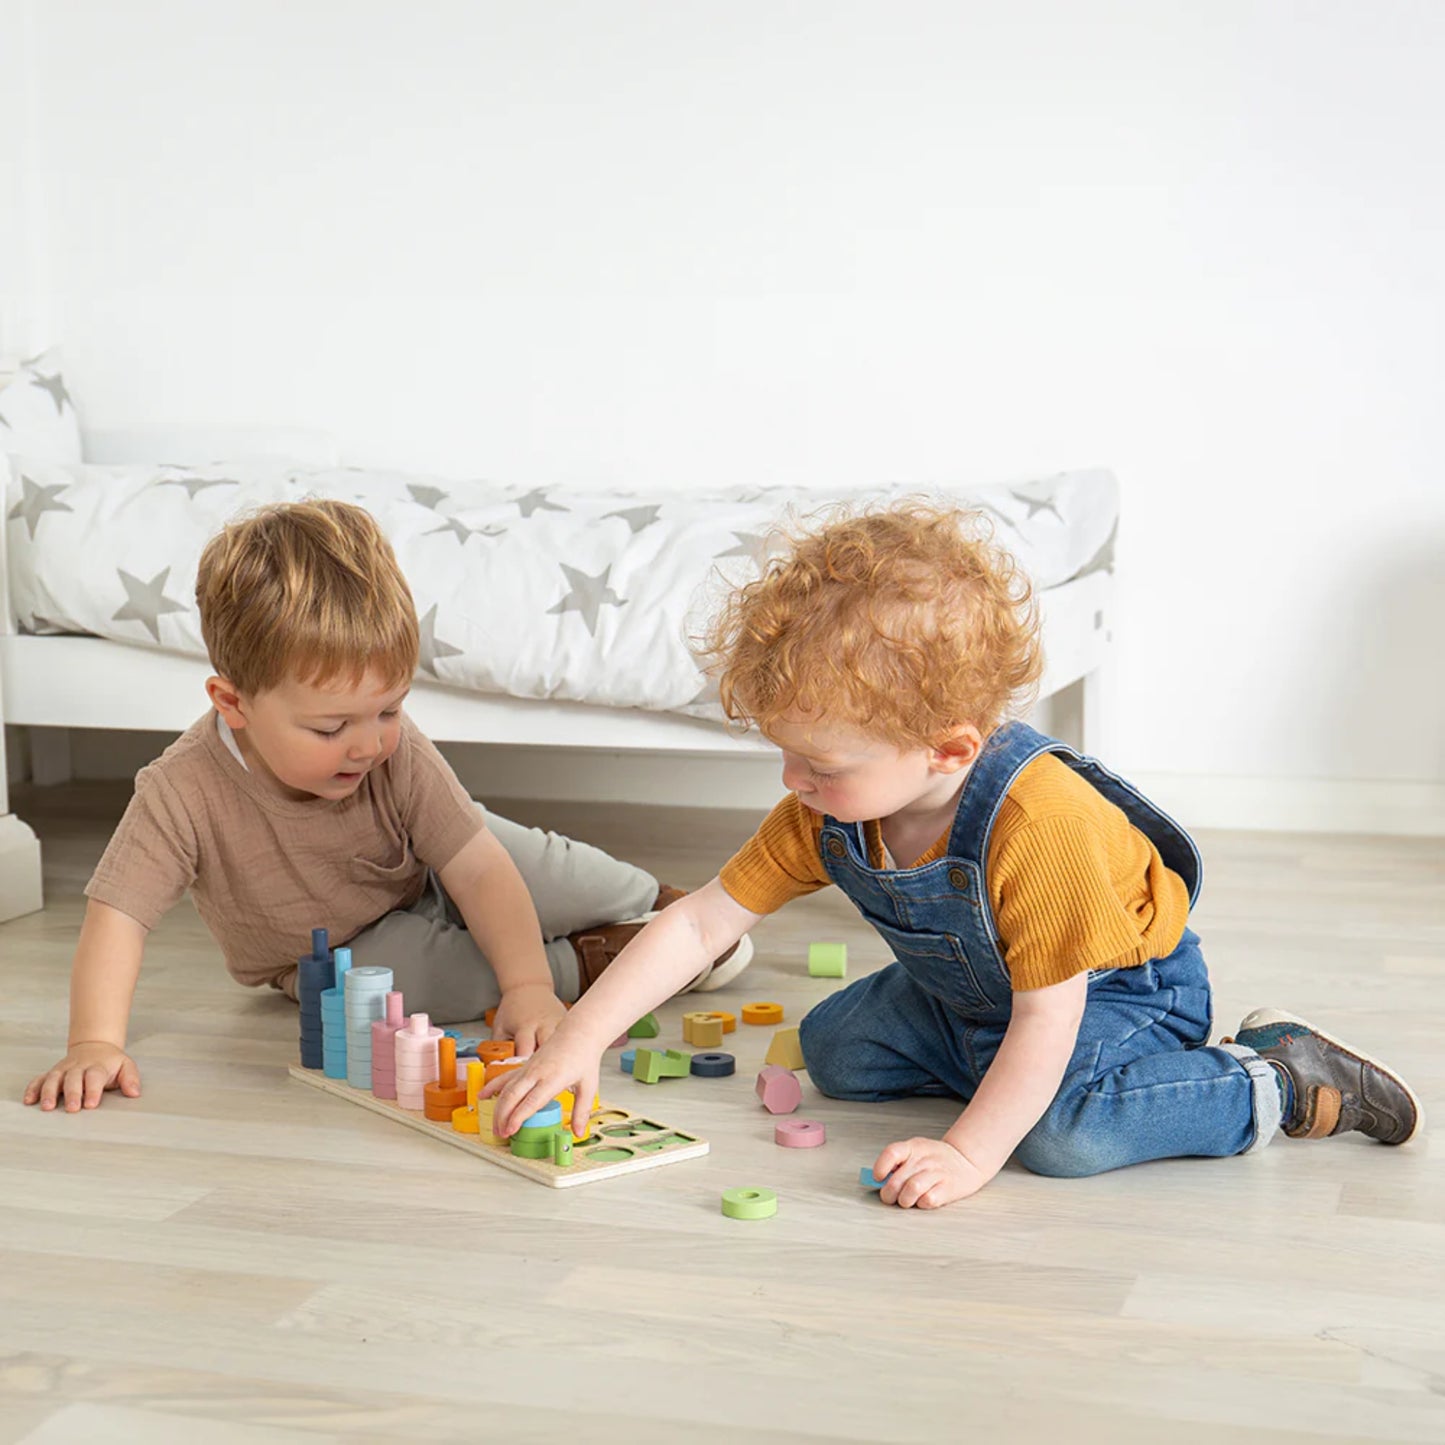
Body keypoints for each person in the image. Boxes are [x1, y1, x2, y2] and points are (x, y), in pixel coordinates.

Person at [487, 502, 1422, 1208]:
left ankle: (1276, 1079)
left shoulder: (1040, 827)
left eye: (820, 763)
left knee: (1059, 1135)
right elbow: (699, 921)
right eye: (785, 753)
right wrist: (580, 1038)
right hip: (976, 996)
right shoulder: (825, 809)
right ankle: (996, 1074)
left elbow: (1048, 1015)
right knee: (836, 1052)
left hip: (1115, 992)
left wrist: (972, 1151)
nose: (792, 779)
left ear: (948, 748)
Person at [23, 499, 750, 1113]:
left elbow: (477, 867)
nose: (368, 744)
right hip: (333, 955)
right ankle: (598, 961)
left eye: (389, 709)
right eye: (331, 727)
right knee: (412, 985)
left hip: (430, 869)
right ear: (233, 703)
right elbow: (117, 917)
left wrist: (521, 986)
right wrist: (94, 1041)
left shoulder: (393, 750)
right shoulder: (180, 790)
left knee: (538, 866)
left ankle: (663, 908)